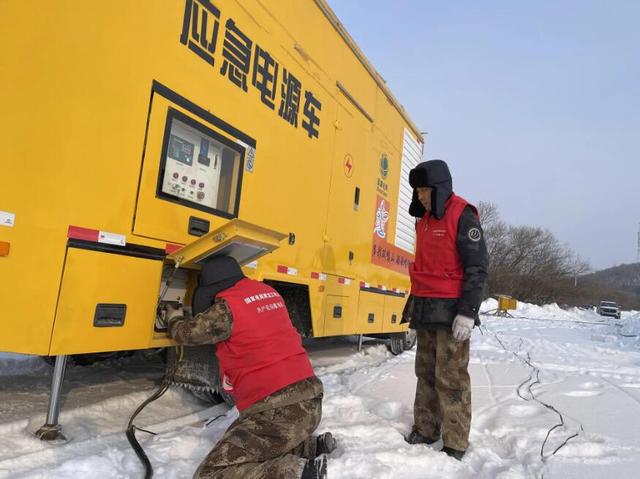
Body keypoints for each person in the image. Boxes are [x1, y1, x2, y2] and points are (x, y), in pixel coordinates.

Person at [165, 255, 335, 479]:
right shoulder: (269, 293)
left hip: (278, 410)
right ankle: (309, 447)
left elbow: (187, 334)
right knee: (260, 441)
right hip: (310, 402)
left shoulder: (226, 308)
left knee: (211, 473)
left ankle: (296, 472)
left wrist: (173, 318)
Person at [402, 159, 488, 460]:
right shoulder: (423, 220)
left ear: (439, 189)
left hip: (452, 313)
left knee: (451, 378)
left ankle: (455, 442)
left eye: (425, 190)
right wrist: (412, 302)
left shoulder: (463, 215)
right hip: (426, 309)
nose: (421, 196)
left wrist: (468, 311)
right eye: (418, 191)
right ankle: (426, 429)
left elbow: (477, 267)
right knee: (425, 373)